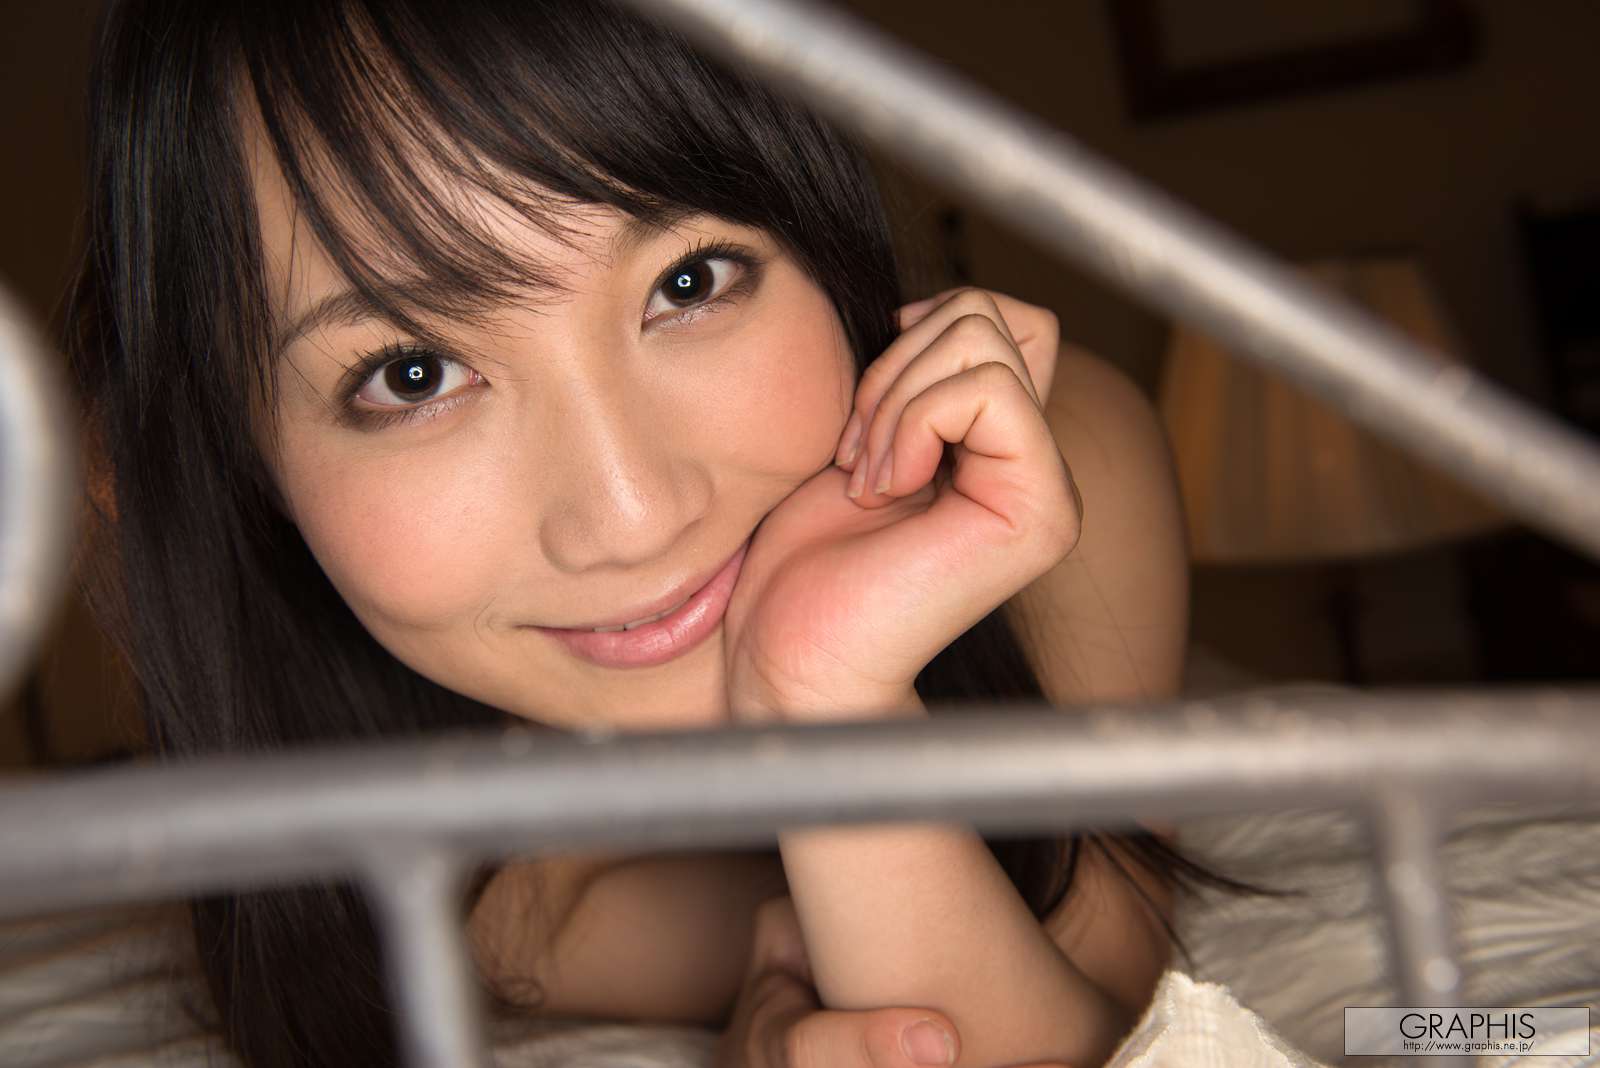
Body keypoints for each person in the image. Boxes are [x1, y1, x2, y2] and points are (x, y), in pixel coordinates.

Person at [64, 1, 1286, 1066]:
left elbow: (1105, 1013)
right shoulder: (446, 878)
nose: (630, 514)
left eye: (688, 282)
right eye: (413, 372)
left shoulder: (1054, 451)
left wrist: (825, 695)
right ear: (244, 466)